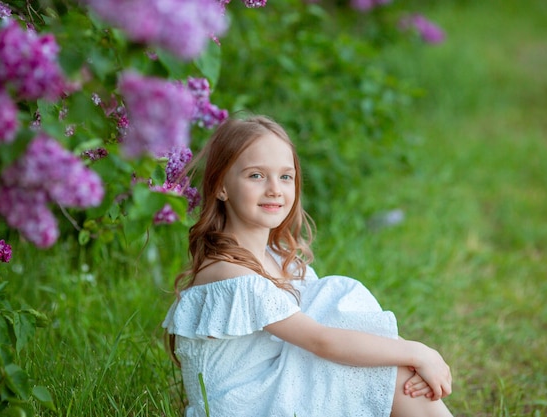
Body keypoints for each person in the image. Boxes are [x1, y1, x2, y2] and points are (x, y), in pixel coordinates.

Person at [162, 115, 454, 417]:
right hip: (248, 406)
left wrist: (405, 352)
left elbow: (336, 327)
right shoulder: (230, 273)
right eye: (256, 176)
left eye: (285, 177)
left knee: (385, 358)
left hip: (269, 391)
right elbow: (322, 340)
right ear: (221, 186)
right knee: (390, 369)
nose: (275, 189)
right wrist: (418, 352)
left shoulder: (273, 259)